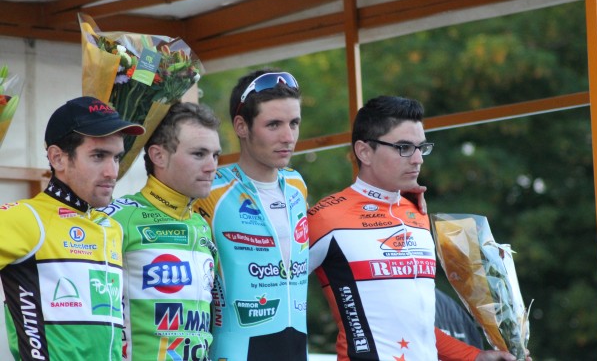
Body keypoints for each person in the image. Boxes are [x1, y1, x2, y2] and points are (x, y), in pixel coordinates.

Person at [308, 95, 531, 361]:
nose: (417, 160)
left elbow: (418, 328)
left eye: (421, 148)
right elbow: (277, 288)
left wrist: (475, 357)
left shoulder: (418, 214)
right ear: (364, 151)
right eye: (403, 147)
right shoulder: (326, 217)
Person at [0, 96, 145, 360]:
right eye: (99, 156)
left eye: (117, 157)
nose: (113, 171)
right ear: (58, 158)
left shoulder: (110, 227)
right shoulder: (26, 217)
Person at [193, 69, 309, 361]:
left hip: (297, 346)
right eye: (273, 125)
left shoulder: (297, 184)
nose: (288, 136)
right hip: (237, 347)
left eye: (294, 123)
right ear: (241, 126)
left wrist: (400, 199)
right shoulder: (210, 190)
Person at [102, 102, 221, 360]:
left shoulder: (201, 225)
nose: (212, 166)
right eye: (199, 154)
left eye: (215, 155)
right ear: (159, 156)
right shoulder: (118, 219)